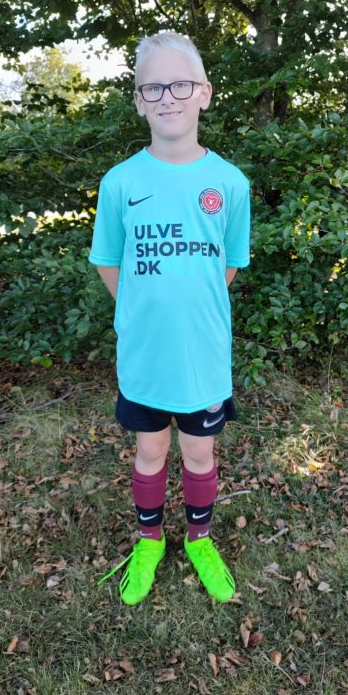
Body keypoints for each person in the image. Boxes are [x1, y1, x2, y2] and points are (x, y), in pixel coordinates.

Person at [90, 31, 250, 605]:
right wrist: (143, 310)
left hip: (202, 354)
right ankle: (150, 539)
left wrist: (190, 304)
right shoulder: (120, 182)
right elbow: (108, 262)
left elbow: (228, 264)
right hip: (145, 354)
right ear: (138, 101)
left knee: (200, 453)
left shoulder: (230, 183)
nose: (167, 97)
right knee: (151, 450)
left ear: (204, 93)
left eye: (180, 85)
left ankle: (200, 539)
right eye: (152, 88)